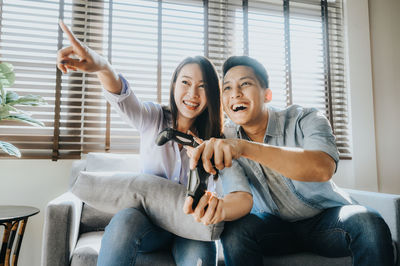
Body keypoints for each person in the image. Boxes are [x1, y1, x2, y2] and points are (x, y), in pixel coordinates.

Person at [56, 22, 253, 266]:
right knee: (125, 219)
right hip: (148, 224)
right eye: (185, 82)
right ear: (173, 85)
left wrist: (204, 167)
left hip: (190, 229)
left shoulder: (218, 144)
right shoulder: (153, 117)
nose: (192, 93)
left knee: (198, 258)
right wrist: (103, 67)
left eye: (202, 86)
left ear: (211, 94)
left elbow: (227, 196)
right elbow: (123, 98)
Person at [185, 55, 394, 266]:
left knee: (368, 222)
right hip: (274, 228)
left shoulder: (306, 118)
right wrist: (219, 208)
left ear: (267, 94)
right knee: (236, 231)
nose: (235, 94)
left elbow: (322, 167)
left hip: (326, 220)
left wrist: (244, 148)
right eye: (227, 88)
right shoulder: (227, 139)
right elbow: (240, 195)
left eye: (245, 84)